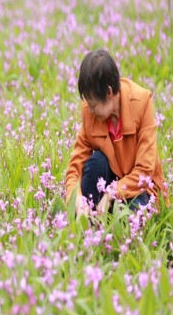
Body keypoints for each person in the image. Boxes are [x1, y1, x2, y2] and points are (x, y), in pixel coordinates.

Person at [65, 49, 167, 216]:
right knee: (96, 162)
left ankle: (111, 218)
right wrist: (76, 198)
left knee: (129, 213)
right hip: (109, 187)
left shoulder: (141, 102)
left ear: (109, 93)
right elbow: (75, 167)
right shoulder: (89, 111)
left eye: (93, 105)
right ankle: (88, 220)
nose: (89, 110)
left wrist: (112, 193)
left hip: (139, 189)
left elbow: (145, 171)